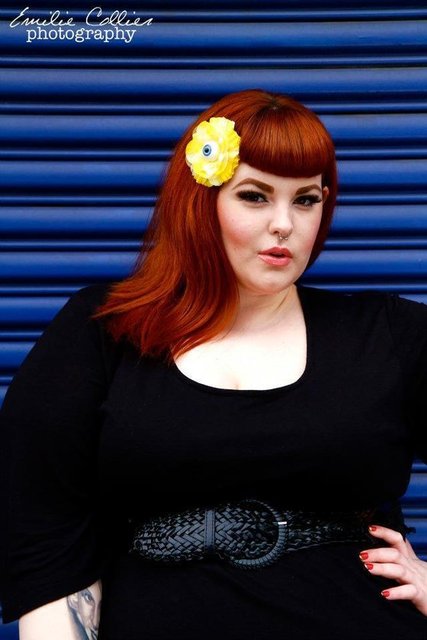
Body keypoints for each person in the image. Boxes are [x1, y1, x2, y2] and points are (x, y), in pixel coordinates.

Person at [1, 89, 427, 640]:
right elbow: (41, 530)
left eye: (305, 200)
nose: (284, 224)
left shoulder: (389, 333)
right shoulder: (104, 330)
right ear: (201, 201)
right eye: (254, 196)